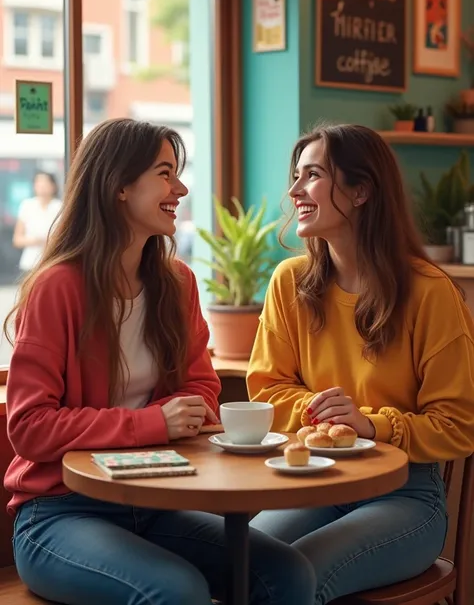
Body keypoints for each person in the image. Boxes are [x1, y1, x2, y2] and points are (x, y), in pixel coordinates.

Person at [4, 118, 316, 605]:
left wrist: (183, 410)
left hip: (153, 501)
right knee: (177, 591)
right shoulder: (57, 288)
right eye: (165, 174)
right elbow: (30, 426)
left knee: (288, 574)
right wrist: (151, 423)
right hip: (60, 512)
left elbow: (200, 384)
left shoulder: (177, 283)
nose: (182, 188)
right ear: (120, 186)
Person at [247, 124, 474, 604]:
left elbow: (457, 426)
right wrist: (324, 414)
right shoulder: (290, 282)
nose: (294, 190)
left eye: (312, 175)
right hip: (312, 480)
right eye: (296, 175)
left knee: (293, 578)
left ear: (361, 190)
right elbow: (266, 390)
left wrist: (369, 426)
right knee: (237, 563)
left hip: (404, 496)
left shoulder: (431, 293)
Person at [13, 170, 62, 273]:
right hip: (30, 263)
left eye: (45, 183)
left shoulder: (60, 206)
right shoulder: (27, 206)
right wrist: (36, 240)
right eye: (39, 183)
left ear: (53, 186)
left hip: (52, 261)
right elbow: (17, 239)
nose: (42, 187)